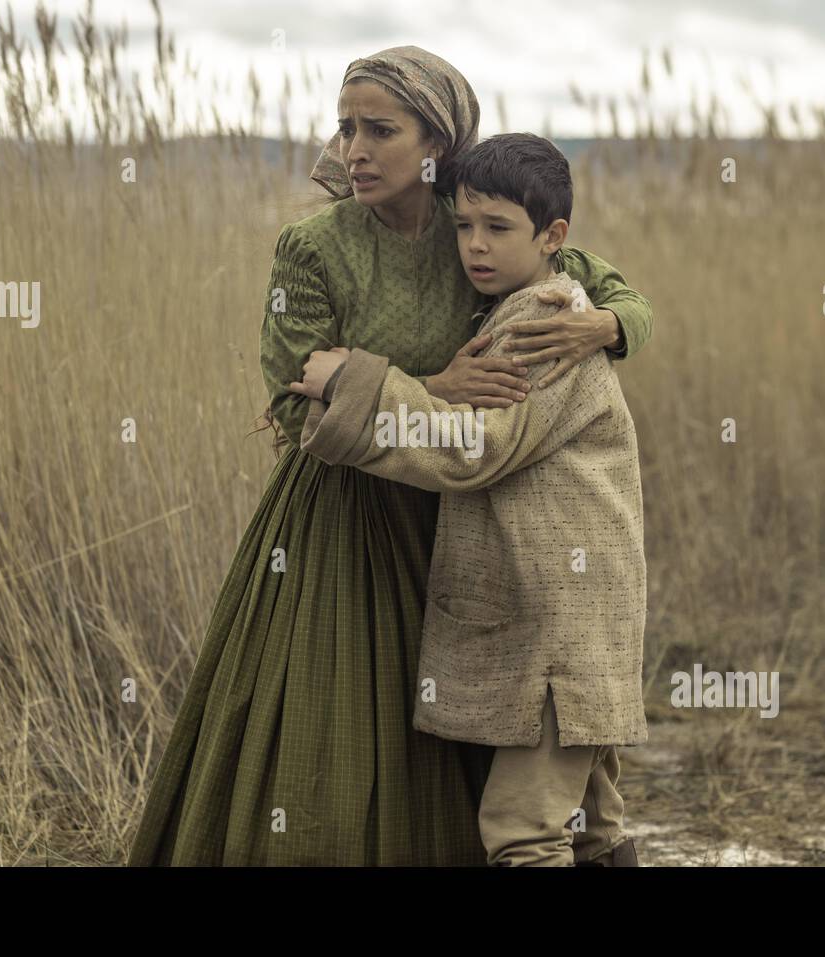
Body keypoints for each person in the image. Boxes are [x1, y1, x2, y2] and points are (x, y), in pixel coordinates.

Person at [127, 47, 653, 866]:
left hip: (463, 526)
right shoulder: (313, 248)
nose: (354, 150)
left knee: (491, 741)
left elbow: (599, 286)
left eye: (380, 129)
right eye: (345, 128)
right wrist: (437, 381)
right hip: (340, 521)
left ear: (436, 144)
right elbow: (292, 398)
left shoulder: (474, 225)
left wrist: (613, 326)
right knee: (327, 741)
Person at [294, 133, 648, 866]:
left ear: (554, 238)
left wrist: (352, 385)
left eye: (497, 228)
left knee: (524, 835)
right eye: (462, 226)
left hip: (559, 623)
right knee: (591, 827)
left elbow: (473, 448)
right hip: (574, 614)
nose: (474, 247)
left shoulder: (543, 320)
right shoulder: (517, 303)